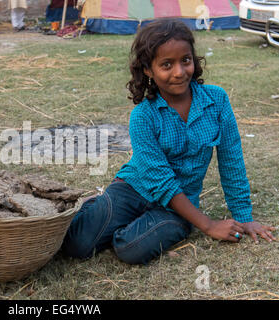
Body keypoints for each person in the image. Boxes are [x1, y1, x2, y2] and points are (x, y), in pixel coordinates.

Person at [62, 19, 276, 265]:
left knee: (129, 249)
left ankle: (126, 224)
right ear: (148, 70)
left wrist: (244, 217)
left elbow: (232, 160)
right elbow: (161, 180)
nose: (179, 72)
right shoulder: (143, 115)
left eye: (185, 60)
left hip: (178, 205)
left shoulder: (217, 101)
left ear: (194, 60)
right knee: (76, 245)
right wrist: (208, 225)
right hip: (132, 188)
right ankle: (97, 207)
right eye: (166, 64)